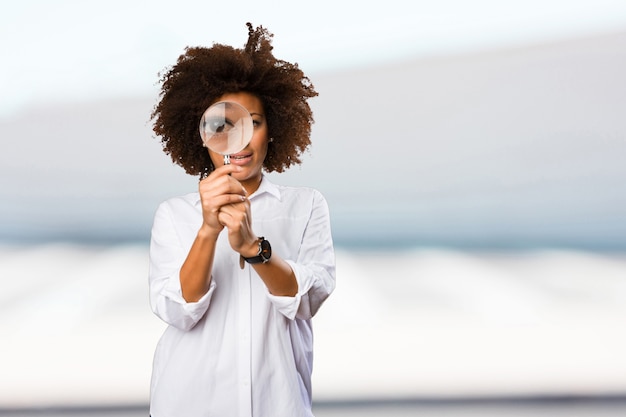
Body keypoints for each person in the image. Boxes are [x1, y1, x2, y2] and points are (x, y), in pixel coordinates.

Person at [147, 23, 336, 417]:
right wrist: (207, 230)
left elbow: (307, 301)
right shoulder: (174, 214)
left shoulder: (306, 206)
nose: (241, 140)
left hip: (278, 405)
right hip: (189, 404)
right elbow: (179, 311)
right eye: (223, 125)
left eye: (255, 121)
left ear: (274, 130)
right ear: (201, 135)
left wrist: (254, 249)